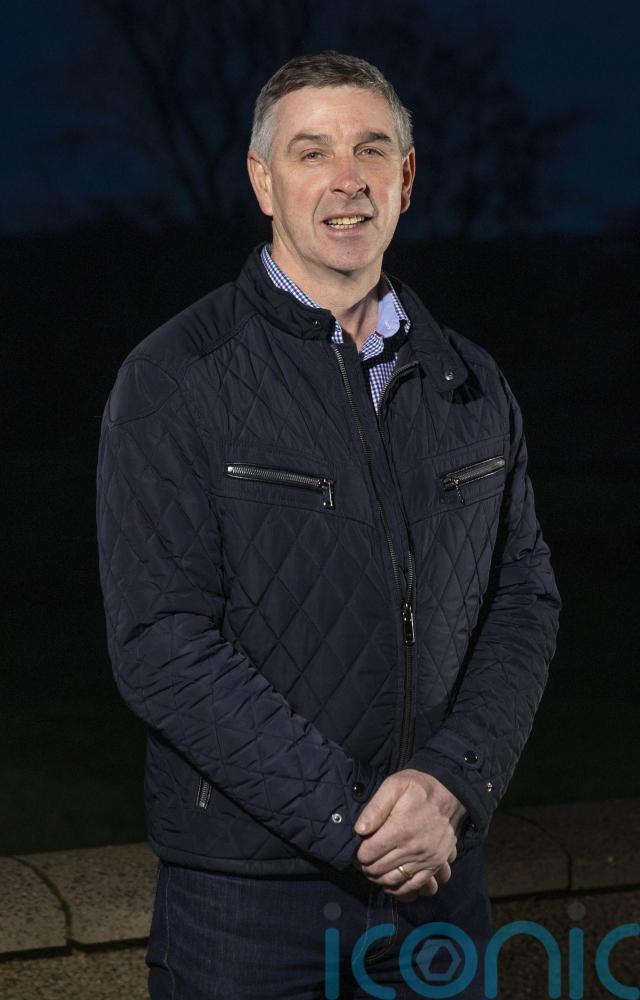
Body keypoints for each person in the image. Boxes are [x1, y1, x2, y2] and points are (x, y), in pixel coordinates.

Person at [96, 51, 560, 999]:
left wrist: (451, 786)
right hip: (249, 902)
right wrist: (360, 821)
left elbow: (523, 601)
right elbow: (160, 641)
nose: (347, 179)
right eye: (312, 153)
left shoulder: (470, 383)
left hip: (440, 885)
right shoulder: (176, 378)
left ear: (406, 178)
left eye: (370, 150)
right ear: (264, 182)